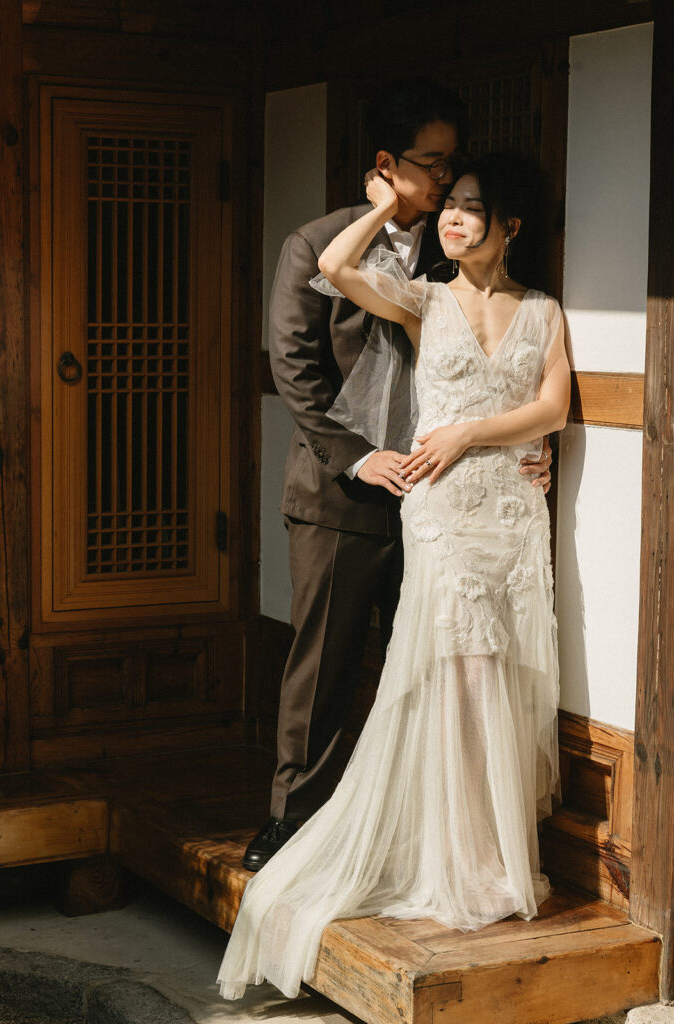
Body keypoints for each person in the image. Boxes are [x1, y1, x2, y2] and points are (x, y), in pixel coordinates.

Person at [218, 151, 570, 1000]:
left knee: (502, 676)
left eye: (470, 206)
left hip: (510, 513)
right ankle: (449, 859)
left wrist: (471, 435)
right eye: (448, 203)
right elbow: (336, 267)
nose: (451, 216)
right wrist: (382, 209)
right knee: (450, 670)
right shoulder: (423, 299)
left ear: (509, 226)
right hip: (443, 513)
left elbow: (553, 407)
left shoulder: (545, 310)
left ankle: (486, 856)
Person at [244, 81, 552, 872]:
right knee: (325, 665)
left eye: (454, 166)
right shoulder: (314, 242)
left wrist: (522, 444)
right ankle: (291, 822)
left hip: (441, 499)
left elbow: (502, 354)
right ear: (387, 165)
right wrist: (357, 457)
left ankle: (408, 835)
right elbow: (296, 375)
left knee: (424, 668)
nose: (449, 183)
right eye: (434, 163)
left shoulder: (454, 245)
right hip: (339, 491)